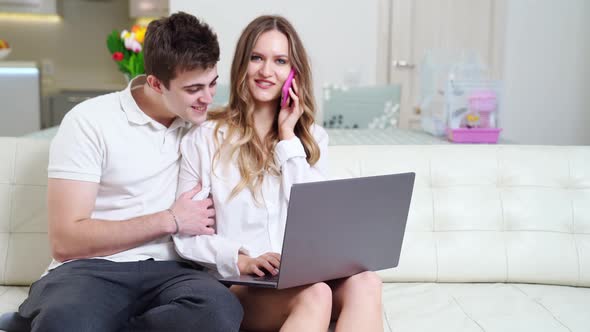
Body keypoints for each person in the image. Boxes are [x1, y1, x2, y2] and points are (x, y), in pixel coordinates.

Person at [17, 12, 243, 332]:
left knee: (219, 311)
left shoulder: (205, 127)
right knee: (66, 321)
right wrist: (171, 219)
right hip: (89, 271)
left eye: (212, 84)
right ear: (155, 83)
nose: (207, 98)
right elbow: (66, 241)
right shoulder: (90, 122)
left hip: (174, 273)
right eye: (194, 89)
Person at [175, 15, 383, 332]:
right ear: (242, 64)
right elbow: (186, 236)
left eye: (280, 61)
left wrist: (288, 138)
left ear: (293, 72)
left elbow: (315, 218)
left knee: (367, 282)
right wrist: (241, 258)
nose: (266, 71)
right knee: (315, 294)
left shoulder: (311, 139)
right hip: (243, 283)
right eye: (257, 58)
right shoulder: (206, 137)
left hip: (306, 276)